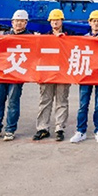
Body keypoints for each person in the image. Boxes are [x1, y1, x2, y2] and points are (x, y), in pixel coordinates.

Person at [0, 9, 31, 142]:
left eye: (21, 21)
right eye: (16, 21)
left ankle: (10, 130)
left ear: (26, 23)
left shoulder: (31, 38)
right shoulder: (4, 36)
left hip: (16, 75)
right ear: (12, 22)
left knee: (13, 103)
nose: (18, 23)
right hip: (2, 74)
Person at [70, 10, 98, 143]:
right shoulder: (84, 39)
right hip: (86, 75)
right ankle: (80, 131)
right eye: (94, 21)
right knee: (83, 104)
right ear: (89, 23)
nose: (96, 24)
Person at [34, 9, 71, 142]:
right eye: (53, 20)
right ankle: (42, 128)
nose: (55, 22)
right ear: (50, 22)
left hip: (63, 73)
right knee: (45, 100)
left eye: (57, 19)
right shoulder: (44, 37)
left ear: (62, 21)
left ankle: (59, 128)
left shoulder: (70, 36)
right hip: (47, 73)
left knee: (62, 101)